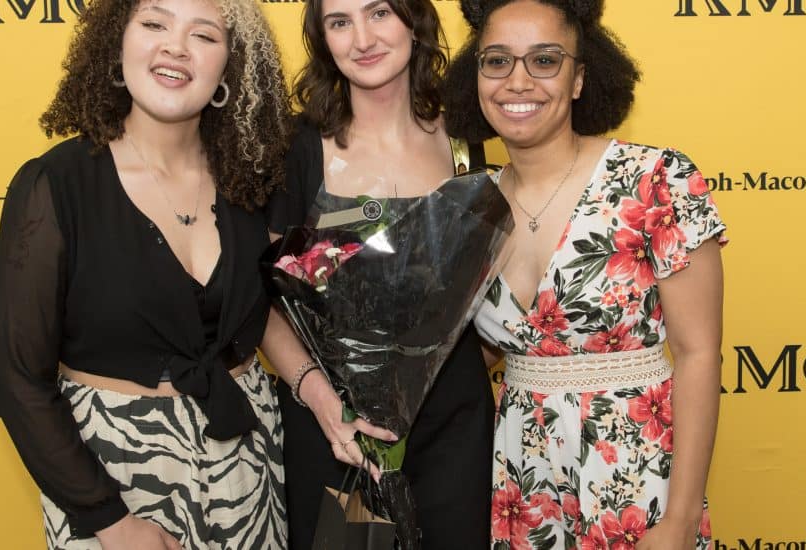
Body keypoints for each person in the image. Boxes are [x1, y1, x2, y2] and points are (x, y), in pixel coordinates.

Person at [0, 0, 291, 548]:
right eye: (154, 24)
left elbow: (272, 313)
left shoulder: (251, 180)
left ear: (230, 67)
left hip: (248, 468)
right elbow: (18, 377)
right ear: (116, 44)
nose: (175, 46)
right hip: (111, 475)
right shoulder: (56, 185)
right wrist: (110, 521)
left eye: (204, 35)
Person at [443, 0, 725, 547]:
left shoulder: (654, 180)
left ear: (579, 79)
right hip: (523, 484)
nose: (517, 82)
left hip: (634, 476)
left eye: (544, 61)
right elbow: (479, 352)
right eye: (496, 61)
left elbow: (699, 355)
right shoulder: (466, 207)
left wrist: (681, 519)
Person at [263, 0, 493, 547]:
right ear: (323, 38)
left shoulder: (465, 139)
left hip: (453, 430)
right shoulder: (297, 147)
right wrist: (322, 399)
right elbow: (264, 304)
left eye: (380, 13)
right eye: (340, 22)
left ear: (415, 20)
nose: (362, 38)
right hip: (333, 429)